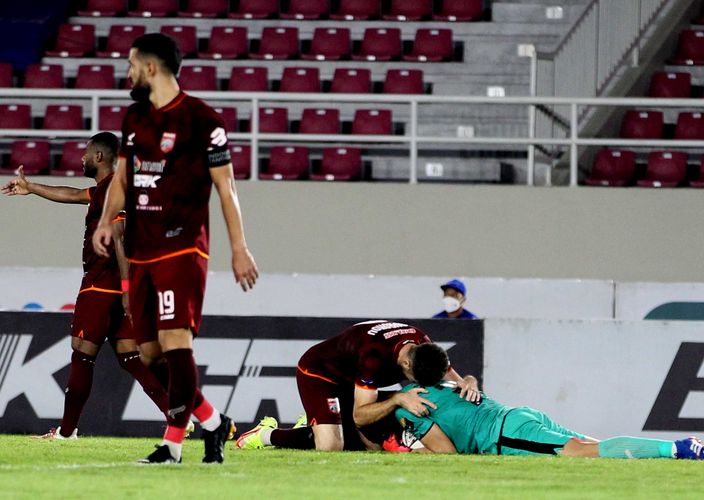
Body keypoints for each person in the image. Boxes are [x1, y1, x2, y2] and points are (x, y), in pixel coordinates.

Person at [92, 33, 259, 464]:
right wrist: (109, 221)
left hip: (182, 247)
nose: (126, 71)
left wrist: (239, 248)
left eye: (131, 63)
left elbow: (227, 189)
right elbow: (123, 179)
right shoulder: (133, 119)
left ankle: (172, 445)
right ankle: (213, 421)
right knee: (148, 352)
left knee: (173, 339)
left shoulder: (203, 120)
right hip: (143, 249)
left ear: (150, 68)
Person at [1, 132, 170, 439]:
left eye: (86, 153)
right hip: (115, 287)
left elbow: (119, 236)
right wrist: (32, 187)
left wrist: (127, 289)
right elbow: (73, 194)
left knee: (82, 356)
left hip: (101, 286)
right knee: (131, 358)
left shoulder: (113, 190)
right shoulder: (107, 189)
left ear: (100, 157)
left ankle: (66, 433)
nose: (81, 158)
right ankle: (179, 417)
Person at [393, 343, 704, 460]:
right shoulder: (451, 384)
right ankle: (684, 450)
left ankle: (681, 448)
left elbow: (448, 457)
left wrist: (409, 448)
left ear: (413, 375)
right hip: (518, 415)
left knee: (582, 451)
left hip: (503, 435)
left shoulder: (416, 405)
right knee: (594, 450)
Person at [235, 320, 480, 452]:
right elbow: (361, 416)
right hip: (320, 374)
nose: (415, 382)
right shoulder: (373, 356)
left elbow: (453, 377)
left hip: (353, 379)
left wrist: (469, 380)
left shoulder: (422, 345)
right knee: (330, 446)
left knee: (369, 445)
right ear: (405, 362)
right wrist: (398, 399)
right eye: (413, 377)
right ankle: (264, 434)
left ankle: (320, 420)